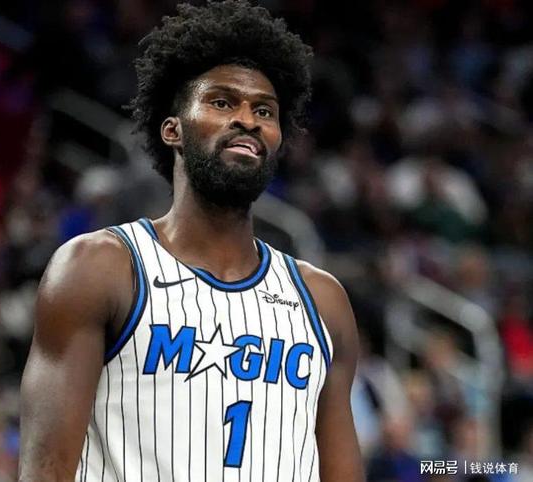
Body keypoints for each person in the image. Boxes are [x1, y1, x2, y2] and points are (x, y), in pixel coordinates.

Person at [19, 2, 364, 481]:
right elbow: (45, 471)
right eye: (222, 102)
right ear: (172, 130)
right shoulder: (98, 268)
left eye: (264, 110)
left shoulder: (322, 301)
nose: (248, 119)